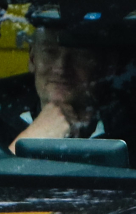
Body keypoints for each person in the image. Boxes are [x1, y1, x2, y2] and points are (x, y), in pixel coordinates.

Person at [8, 21, 122, 151]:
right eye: (50, 52)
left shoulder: (132, 139)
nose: (61, 67)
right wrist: (35, 134)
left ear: (106, 68)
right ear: (32, 58)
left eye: (79, 54)